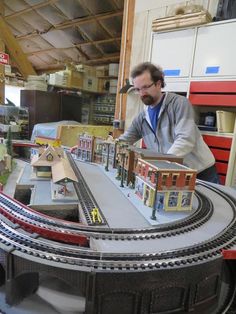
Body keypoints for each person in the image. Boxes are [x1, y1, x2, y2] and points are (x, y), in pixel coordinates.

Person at [119, 62, 219, 183]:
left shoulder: (179, 104)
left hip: (201, 171)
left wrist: (161, 165)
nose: (141, 93)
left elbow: (185, 140)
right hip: (173, 171)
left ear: (158, 83)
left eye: (145, 87)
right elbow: (124, 141)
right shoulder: (142, 118)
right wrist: (109, 146)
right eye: (137, 89)